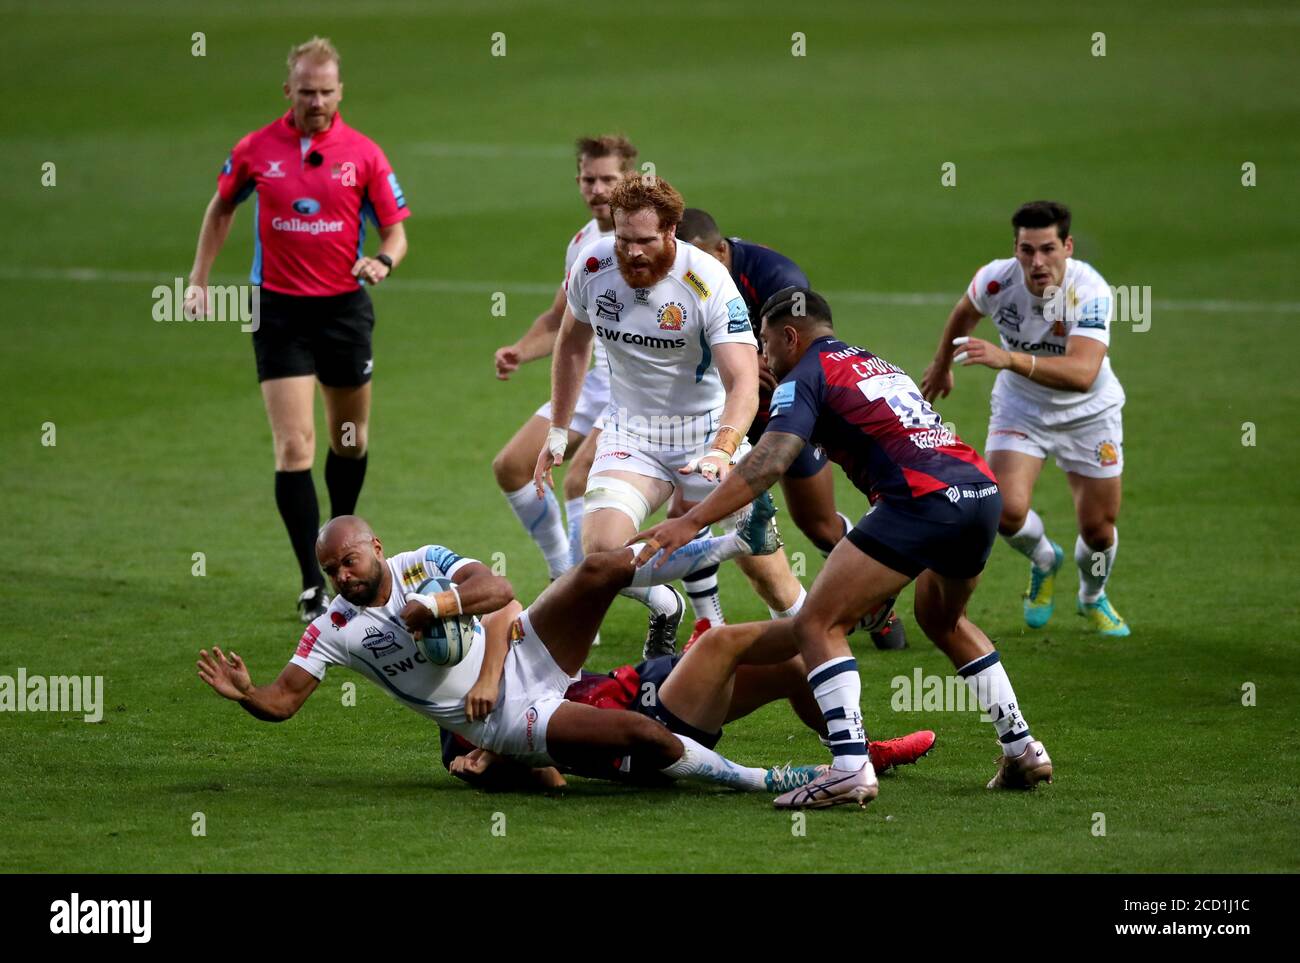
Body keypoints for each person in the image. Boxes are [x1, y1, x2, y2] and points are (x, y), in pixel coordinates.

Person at [632, 289, 1053, 809]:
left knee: (816, 624)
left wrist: (691, 520)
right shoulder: (872, 362)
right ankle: (1022, 747)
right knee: (943, 620)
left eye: (765, 342)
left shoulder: (805, 375)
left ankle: (851, 769)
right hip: (979, 493)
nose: (763, 356)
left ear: (790, 336)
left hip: (919, 500)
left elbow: (770, 461)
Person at [196, 507, 825, 793]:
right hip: (505, 719)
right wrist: (247, 694)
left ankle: (735, 544)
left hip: (524, 655)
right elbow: (284, 701)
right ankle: (762, 779)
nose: (342, 576)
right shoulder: (333, 626)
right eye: (331, 569)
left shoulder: (422, 564)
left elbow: (498, 591)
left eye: (349, 560)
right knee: (644, 734)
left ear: (377, 547)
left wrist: (436, 607)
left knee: (597, 569)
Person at [535, 173, 805, 661]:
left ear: (670, 231)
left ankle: (812, 645)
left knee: (773, 581)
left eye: (644, 241)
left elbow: (743, 381)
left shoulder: (707, 280)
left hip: (705, 436)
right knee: (603, 555)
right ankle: (668, 601)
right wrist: (558, 429)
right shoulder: (592, 265)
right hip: (631, 435)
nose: (632, 252)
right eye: (623, 239)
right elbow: (572, 344)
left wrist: (722, 450)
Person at [186, 37, 409, 622]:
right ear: (288, 90)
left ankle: (342, 545)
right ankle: (314, 581)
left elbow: (396, 231)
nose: (317, 101)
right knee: (293, 446)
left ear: (340, 92)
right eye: (307, 91)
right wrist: (199, 279)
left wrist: (383, 261)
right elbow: (221, 207)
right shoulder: (256, 148)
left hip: (343, 312)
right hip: (279, 312)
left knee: (349, 440)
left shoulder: (364, 154)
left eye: (326, 91)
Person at [677, 208, 907, 651]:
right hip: (716, 411)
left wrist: (753, 359)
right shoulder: (680, 277)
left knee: (817, 523)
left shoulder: (777, 278)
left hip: (784, 411)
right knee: (689, 505)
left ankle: (875, 597)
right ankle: (708, 624)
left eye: (702, 259)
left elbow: (807, 347)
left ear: (721, 250)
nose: (693, 270)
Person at [920, 201, 1129, 636]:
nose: (1037, 262)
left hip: (1090, 415)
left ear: (1067, 247)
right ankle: (1044, 559)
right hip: (1022, 408)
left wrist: (1008, 359)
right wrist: (941, 365)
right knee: (1006, 512)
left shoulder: (1090, 291)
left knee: (1098, 529)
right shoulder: (996, 279)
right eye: (1026, 250)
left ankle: (1092, 596)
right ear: (1015, 249)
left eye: (1048, 249)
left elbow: (1083, 374)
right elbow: (964, 312)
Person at [441, 623, 936, 791]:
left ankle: (857, 754)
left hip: (648, 686)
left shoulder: (501, 656)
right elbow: (554, 778)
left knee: (793, 668)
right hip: (642, 735)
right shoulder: (462, 732)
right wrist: (495, 765)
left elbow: (508, 613)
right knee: (720, 643)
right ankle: (829, 618)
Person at [491, 136, 638, 581]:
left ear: (630, 179)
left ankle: (579, 594)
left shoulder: (650, 239)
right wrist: (520, 351)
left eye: (608, 179)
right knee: (512, 467)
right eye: (588, 180)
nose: (597, 189)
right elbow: (560, 320)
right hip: (597, 382)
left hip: (640, 388)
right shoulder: (582, 243)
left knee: (579, 481)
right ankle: (562, 573)